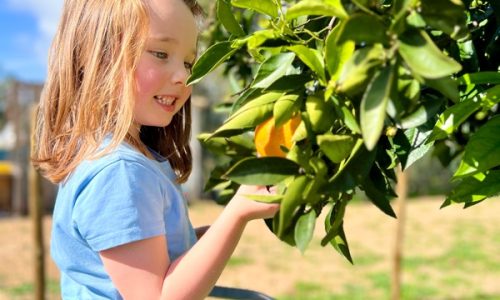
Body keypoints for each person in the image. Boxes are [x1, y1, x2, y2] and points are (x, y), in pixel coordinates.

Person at [31, 0, 280, 299]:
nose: (183, 76)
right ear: (99, 57)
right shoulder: (119, 172)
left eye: (189, 62)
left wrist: (224, 226)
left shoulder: (119, 157)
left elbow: (160, 251)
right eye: (161, 54)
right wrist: (236, 215)